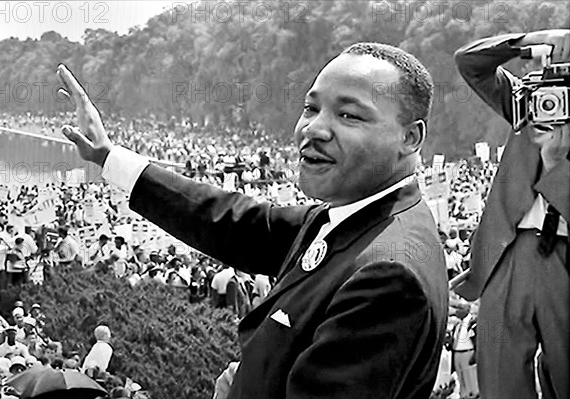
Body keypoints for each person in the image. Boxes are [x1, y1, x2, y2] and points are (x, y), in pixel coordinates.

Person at [57, 40, 448, 399]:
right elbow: (230, 221)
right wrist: (108, 156)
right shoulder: (351, 217)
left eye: (348, 115)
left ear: (410, 138)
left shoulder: (388, 277)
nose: (313, 129)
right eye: (311, 108)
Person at [454, 29, 569, 399]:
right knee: (499, 378)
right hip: (509, 251)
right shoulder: (531, 98)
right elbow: (470, 64)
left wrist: (556, 165)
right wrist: (533, 40)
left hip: (564, 257)